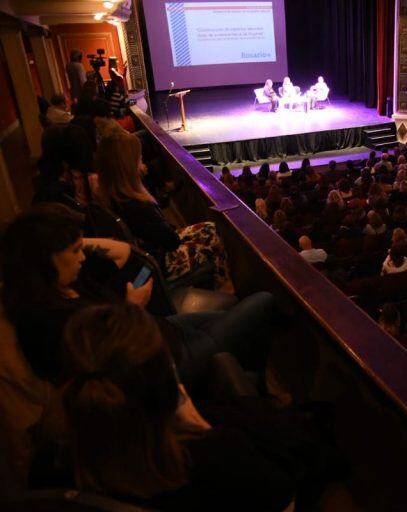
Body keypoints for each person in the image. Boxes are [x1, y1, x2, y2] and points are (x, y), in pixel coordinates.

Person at [57, 302, 312, 511]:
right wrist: (204, 430)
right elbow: (286, 503)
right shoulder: (217, 453)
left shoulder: (54, 464)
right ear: (171, 385)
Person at [0, 203, 275, 388]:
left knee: (236, 319)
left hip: (167, 330)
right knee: (264, 302)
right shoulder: (50, 320)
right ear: (44, 258)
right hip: (169, 360)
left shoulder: (67, 279)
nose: (82, 256)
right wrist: (132, 311)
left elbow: (124, 252)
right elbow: (114, 368)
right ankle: (247, 387)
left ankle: (240, 382)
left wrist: (73, 239)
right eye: (74, 251)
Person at [95, 130, 233, 292]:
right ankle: (225, 288)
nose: (143, 163)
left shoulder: (112, 195)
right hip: (159, 264)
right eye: (139, 160)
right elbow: (171, 241)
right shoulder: (138, 205)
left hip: (150, 256)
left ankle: (216, 284)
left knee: (210, 228)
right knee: (212, 241)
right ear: (130, 167)